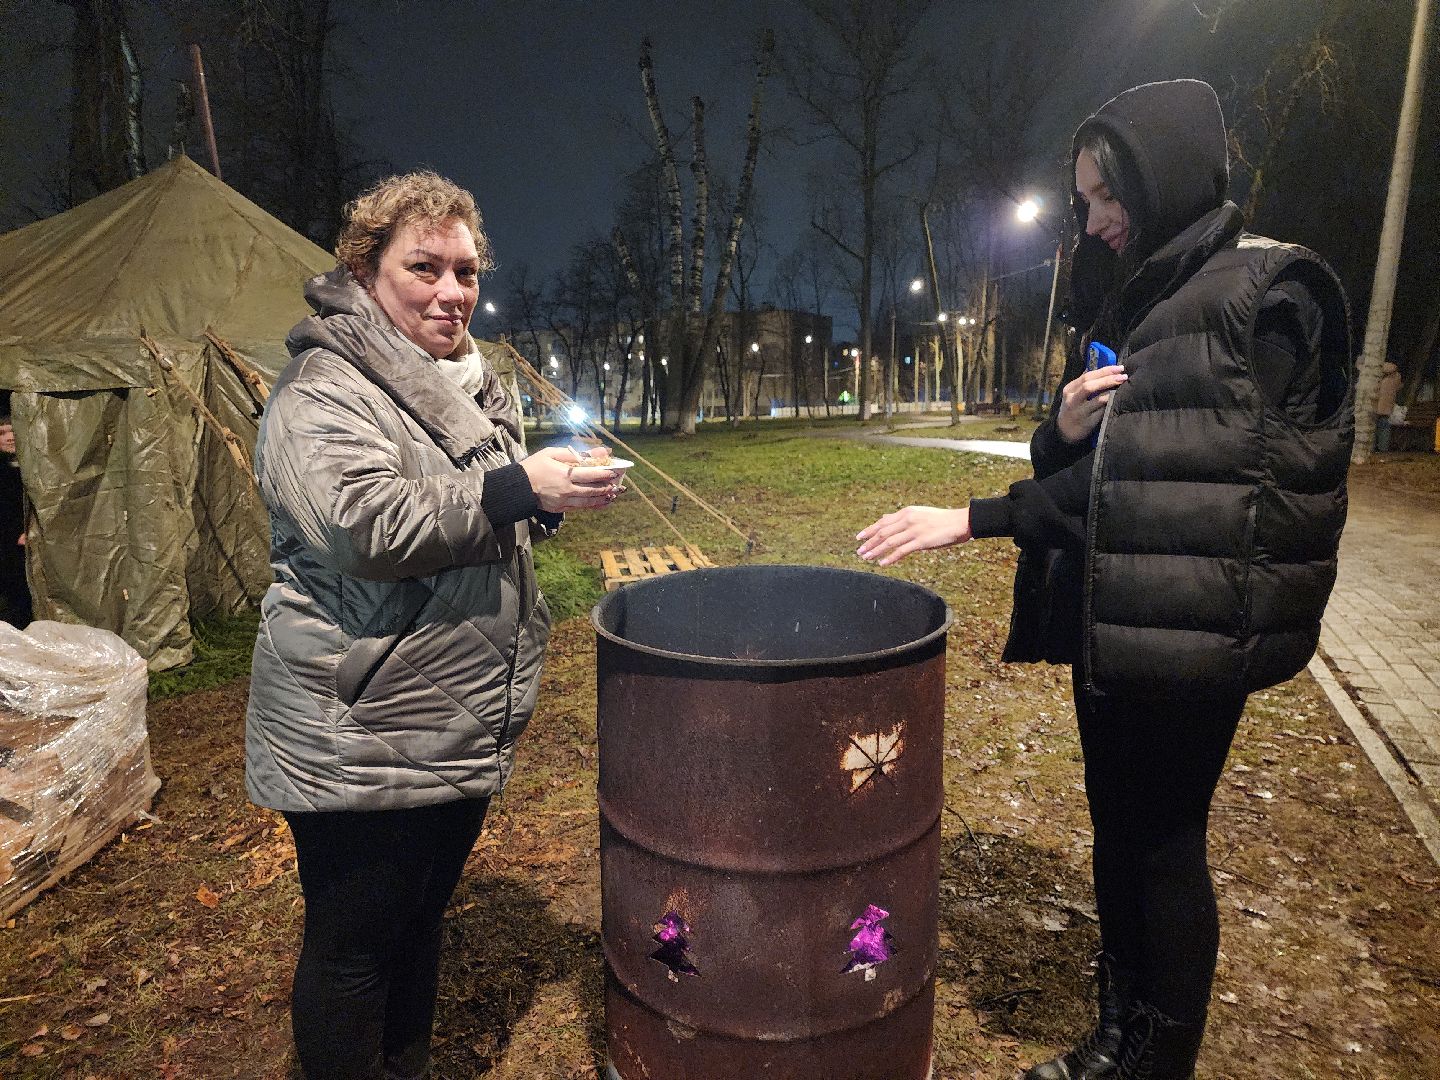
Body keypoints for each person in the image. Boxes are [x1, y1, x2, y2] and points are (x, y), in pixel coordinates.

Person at [857, 80, 1353, 1080]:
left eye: (1104, 194)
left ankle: (1157, 1059)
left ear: (1158, 174)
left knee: (1163, 845)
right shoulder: (1154, 293)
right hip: (1117, 616)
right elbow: (1087, 460)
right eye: (1082, 199)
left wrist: (970, 520)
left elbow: (1157, 495)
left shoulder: (1247, 298)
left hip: (1186, 630)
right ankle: (1120, 1034)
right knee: (1120, 837)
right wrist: (1061, 427)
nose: (1093, 218)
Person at [245, 171, 623, 1080]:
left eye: (465, 271)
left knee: (418, 925)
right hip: (359, 722)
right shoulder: (324, 387)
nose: (452, 292)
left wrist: (549, 498)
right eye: (425, 268)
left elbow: (482, 514)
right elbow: (363, 527)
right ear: (366, 270)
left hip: (452, 715)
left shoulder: (467, 382)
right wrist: (515, 487)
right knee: (354, 948)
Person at [0, 414, 31, 628]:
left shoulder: (32, 467)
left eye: (12, 431)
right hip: (8, 548)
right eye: (2, 433)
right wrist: (15, 534)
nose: (10, 437)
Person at [1375, 359, 1402, 451]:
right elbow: (1398, 388)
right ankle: (1383, 448)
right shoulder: (1397, 375)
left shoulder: (1379, 375)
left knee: (1375, 427)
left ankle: (1374, 447)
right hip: (1387, 407)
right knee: (1385, 426)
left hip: (1376, 405)